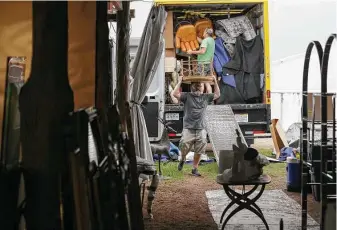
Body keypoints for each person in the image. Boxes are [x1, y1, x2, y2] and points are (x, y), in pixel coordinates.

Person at [172, 75, 220, 176]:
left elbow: (217, 94)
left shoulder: (206, 97)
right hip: (188, 128)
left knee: (200, 149)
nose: (198, 86)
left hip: (201, 128)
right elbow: (175, 94)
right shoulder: (187, 96)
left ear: (204, 88)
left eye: (200, 85)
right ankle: (183, 159)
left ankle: (195, 168)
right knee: (183, 146)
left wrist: (215, 80)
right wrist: (180, 81)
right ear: (191, 87)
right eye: (196, 85)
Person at [187, 28, 215, 93]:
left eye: (204, 32)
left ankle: (200, 97)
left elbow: (202, 51)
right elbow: (202, 42)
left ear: (206, 33)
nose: (203, 33)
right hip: (209, 64)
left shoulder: (205, 40)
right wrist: (195, 36)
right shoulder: (212, 40)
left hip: (203, 64)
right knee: (207, 82)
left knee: (201, 82)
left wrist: (191, 52)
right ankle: (210, 99)